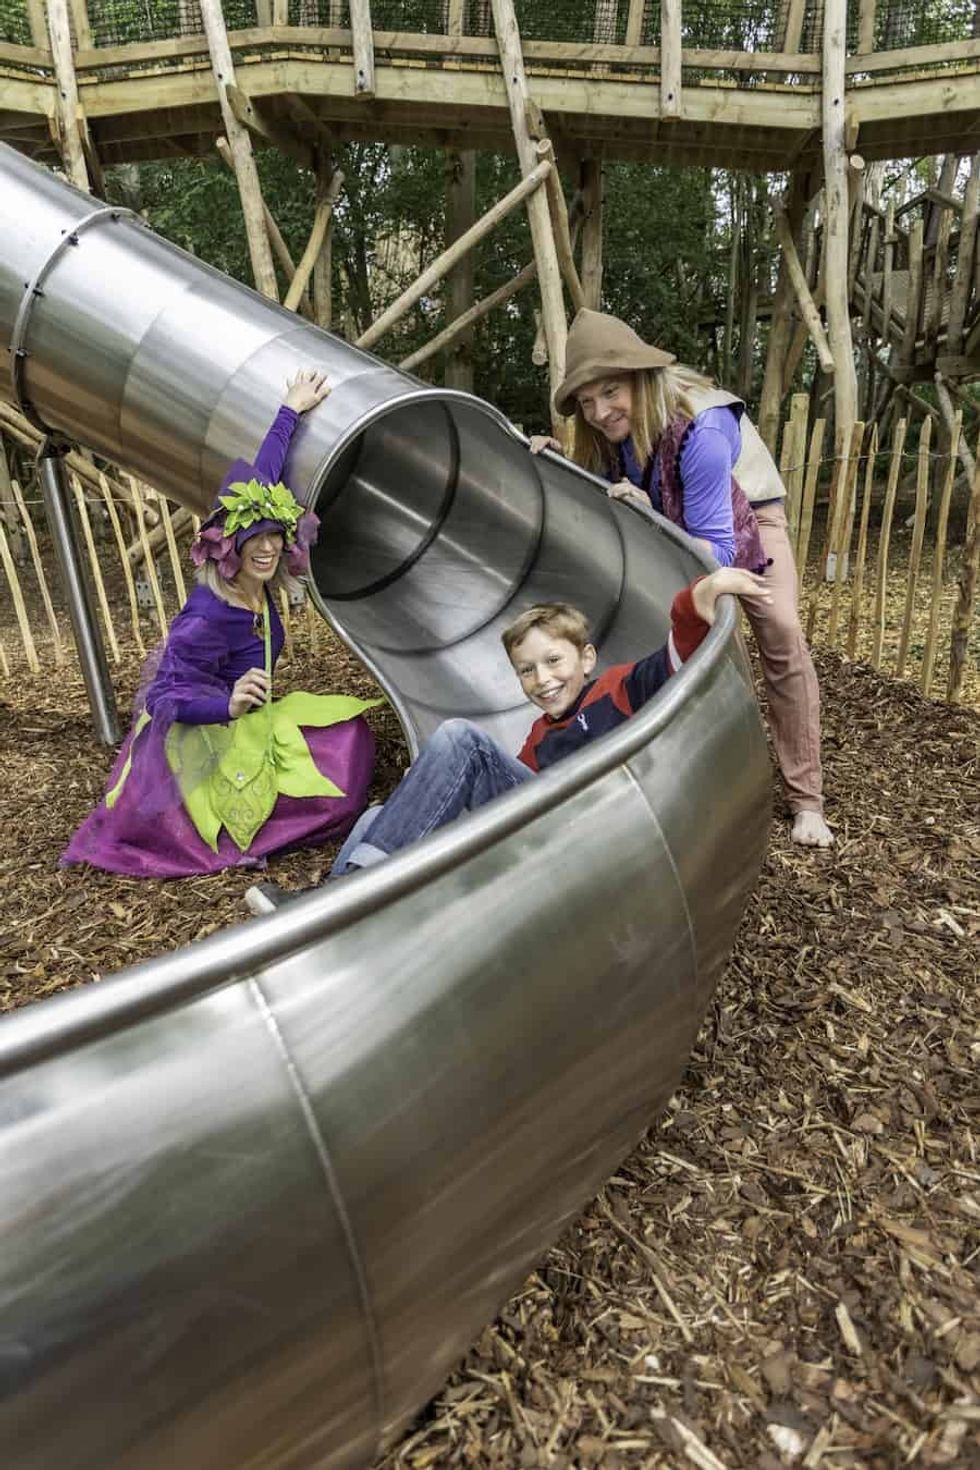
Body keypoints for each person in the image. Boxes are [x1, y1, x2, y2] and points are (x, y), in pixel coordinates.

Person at [245, 565, 771, 912]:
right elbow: (495, 808)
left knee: (461, 741)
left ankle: (345, 897)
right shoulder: (537, 740)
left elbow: (679, 655)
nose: (543, 679)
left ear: (587, 658)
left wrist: (699, 596)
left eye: (554, 661)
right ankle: (325, 915)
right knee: (373, 819)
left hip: (588, 833)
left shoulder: (617, 688)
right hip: (533, 832)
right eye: (526, 670)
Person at [529, 308, 833, 849]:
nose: (599, 411)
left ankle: (806, 798)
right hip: (669, 524)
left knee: (781, 631)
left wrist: (655, 518)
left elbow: (718, 554)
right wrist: (557, 466)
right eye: (587, 401)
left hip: (746, 523)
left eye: (610, 392)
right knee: (672, 635)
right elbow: (597, 493)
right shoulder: (611, 429)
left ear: (640, 379)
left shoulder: (703, 429)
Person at [62, 368, 378, 879]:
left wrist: (290, 409)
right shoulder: (211, 614)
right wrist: (226, 705)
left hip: (248, 713)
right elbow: (163, 698)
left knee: (349, 733)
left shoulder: (258, 575)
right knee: (333, 776)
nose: (267, 547)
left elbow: (263, 476)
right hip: (208, 733)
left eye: (275, 535)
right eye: (254, 539)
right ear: (229, 547)